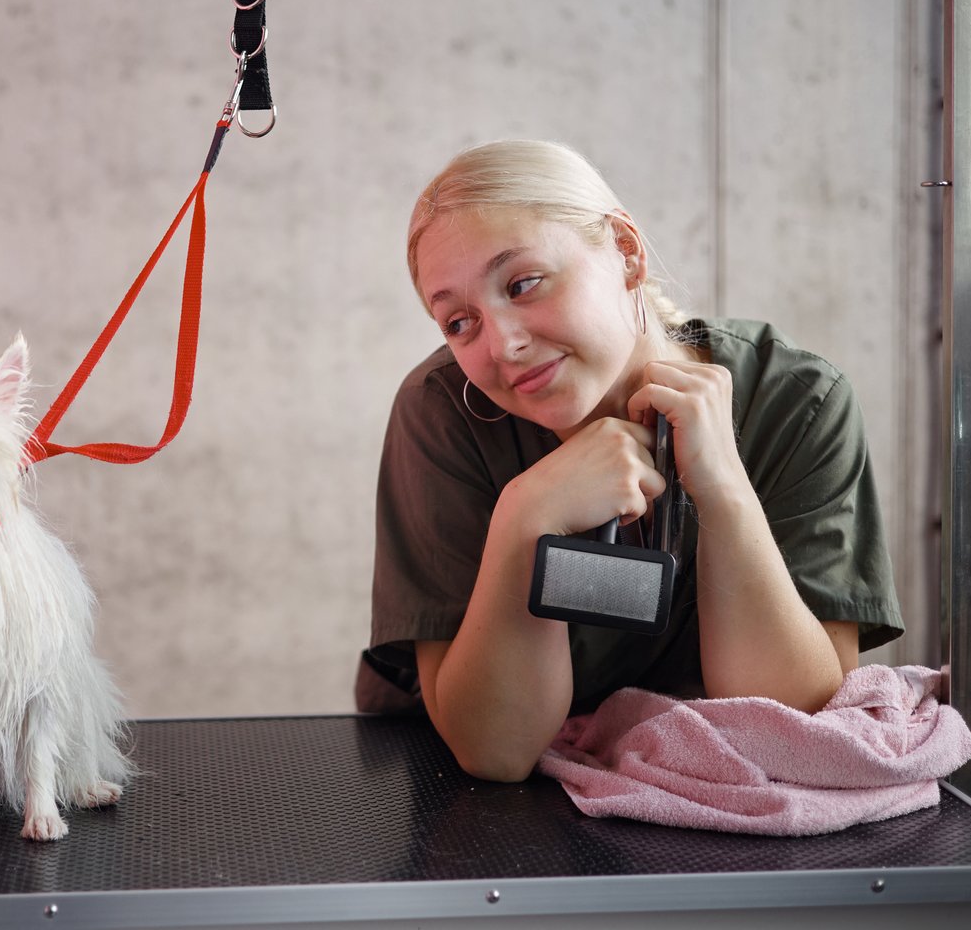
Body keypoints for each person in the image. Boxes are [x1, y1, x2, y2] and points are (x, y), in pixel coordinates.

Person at [357, 140, 903, 783]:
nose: (505, 344)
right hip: (473, 810)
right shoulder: (446, 414)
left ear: (626, 250)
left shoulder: (796, 404)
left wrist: (724, 491)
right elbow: (496, 751)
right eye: (459, 322)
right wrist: (525, 518)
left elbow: (795, 726)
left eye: (523, 283)